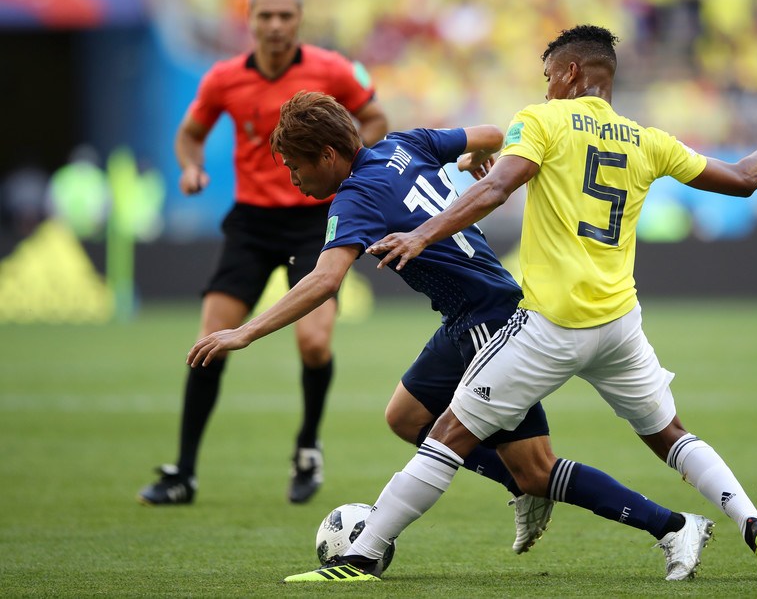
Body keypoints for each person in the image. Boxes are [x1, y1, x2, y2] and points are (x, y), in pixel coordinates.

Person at [286, 25, 757, 583]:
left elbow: (497, 189)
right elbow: (744, 178)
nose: (545, 87)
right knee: (671, 436)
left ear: (570, 73)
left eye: (549, 75)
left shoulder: (542, 120)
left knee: (448, 436)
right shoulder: (648, 138)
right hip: (621, 325)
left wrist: (423, 234)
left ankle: (358, 558)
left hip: (550, 328)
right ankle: (750, 520)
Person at [188, 90, 724, 578]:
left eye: (295, 165)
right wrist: (471, 156)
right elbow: (495, 133)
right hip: (465, 315)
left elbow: (325, 280)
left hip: (491, 319)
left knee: (535, 468)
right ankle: (522, 486)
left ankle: (673, 526)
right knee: (404, 417)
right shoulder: (406, 142)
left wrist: (244, 333)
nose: (293, 178)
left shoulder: (352, 198)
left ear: (328, 155)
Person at [138, 0, 389, 506]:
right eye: (265, 16)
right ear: (248, 20)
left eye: (285, 16)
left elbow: (375, 118)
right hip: (251, 224)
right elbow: (190, 134)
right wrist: (189, 168)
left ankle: (307, 447)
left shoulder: (331, 69)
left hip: (314, 220)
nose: (275, 26)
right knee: (209, 341)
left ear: (299, 20)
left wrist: (353, 172)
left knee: (315, 342)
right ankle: (183, 472)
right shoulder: (224, 78)